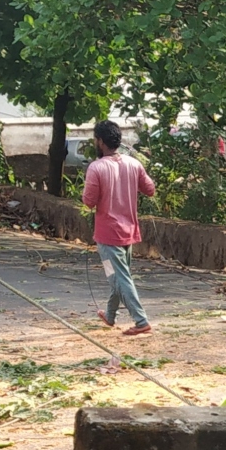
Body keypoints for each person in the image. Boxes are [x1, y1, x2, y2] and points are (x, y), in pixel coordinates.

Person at [81, 120, 158, 336]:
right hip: (129, 231)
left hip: (107, 234)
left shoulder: (96, 168)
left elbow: (88, 201)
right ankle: (110, 315)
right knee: (119, 275)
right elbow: (150, 189)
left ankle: (141, 320)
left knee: (119, 277)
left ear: (101, 141)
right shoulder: (134, 164)